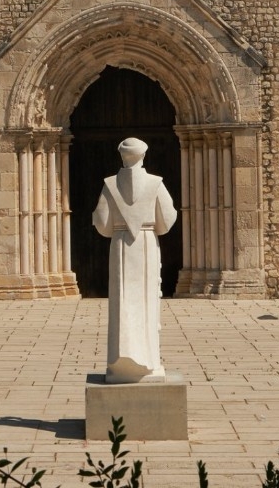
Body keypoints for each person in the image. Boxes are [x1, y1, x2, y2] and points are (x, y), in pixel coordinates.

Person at [92, 137, 178, 383]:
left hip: (120, 244)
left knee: (122, 300)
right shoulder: (155, 183)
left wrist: (119, 226)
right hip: (146, 243)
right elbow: (167, 220)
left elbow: (102, 223)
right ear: (143, 155)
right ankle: (147, 361)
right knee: (146, 301)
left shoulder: (109, 184)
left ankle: (121, 361)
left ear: (122, 155)